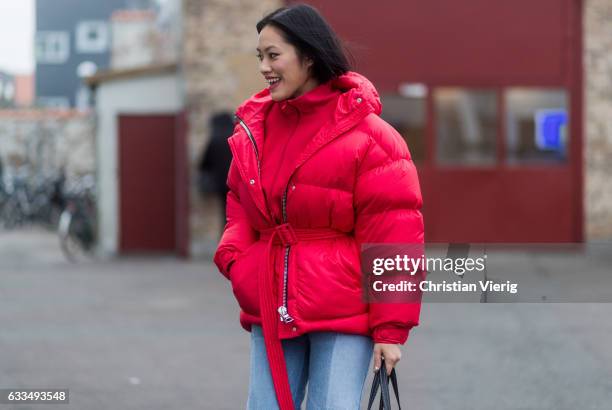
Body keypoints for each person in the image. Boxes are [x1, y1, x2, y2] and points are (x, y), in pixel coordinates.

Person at [213, 4, 424, 409]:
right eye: (260, 56)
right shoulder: (254, 131)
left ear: (308, 56)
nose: (264, 67)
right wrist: (237, 261)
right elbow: (239, 205)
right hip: (271, 300)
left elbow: (394, 238)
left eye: (273, 55)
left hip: (344, 309)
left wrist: (390, 330)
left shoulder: (372, 137)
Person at [198, 111, 234, 228]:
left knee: (225, 215)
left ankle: (227, 241)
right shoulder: (235, 138)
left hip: (221, 185)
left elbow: (204, 164)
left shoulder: (214, 140)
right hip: (237, 184)